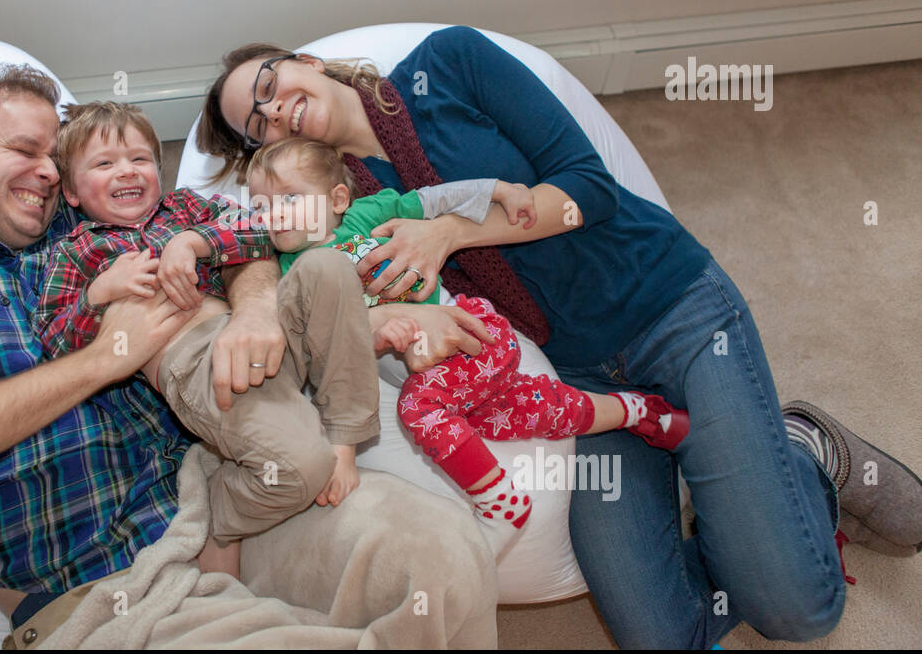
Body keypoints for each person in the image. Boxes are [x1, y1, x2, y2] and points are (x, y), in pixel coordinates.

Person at [198, 26, 922, 649]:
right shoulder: (329, 208)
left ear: (306, 62)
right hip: (575, 380)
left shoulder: (447, 63)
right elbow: (256, 261)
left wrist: (447, 232)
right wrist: (266, 307)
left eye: (267, 85)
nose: (273, 111)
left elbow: (589, 187)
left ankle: (800, 448)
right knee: (660, 635)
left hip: (668, 305)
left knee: (796, 609)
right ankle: (730, 485)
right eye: (256, 125)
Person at [0, 61, 500, 649]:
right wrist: (106, 357)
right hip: (99, 586)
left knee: (442, 554)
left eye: (54, 156)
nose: (47, 171)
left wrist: (254, 313)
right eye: (25, 150)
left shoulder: (85, 219)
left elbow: (243, 235)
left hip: (229, 490)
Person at [245, 136, 690, 551]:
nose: (274, 214)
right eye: (260, 205)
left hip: (472, 335)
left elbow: (433, 199)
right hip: (451, 381)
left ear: (338, 200)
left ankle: (500, 504)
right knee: (547, 410)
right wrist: (375, 332)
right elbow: (321, 344)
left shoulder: (366, 217)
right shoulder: (289, 276)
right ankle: (642, 412)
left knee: (418, 409)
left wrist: (499, 190)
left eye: (290, 198)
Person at [34, 101, 379, 573]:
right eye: (104, 163)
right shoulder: (76, 252)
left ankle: (346, 434)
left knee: (328, 265)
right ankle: (216, 509)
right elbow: (54, 343)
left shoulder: (186, 207)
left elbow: (259, 227)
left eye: (139, 159)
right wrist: (99, 295)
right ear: (72, 192)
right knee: (303, 469)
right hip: (197, 367)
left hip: (267, 334)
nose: (126, 171)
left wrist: (192, 241)